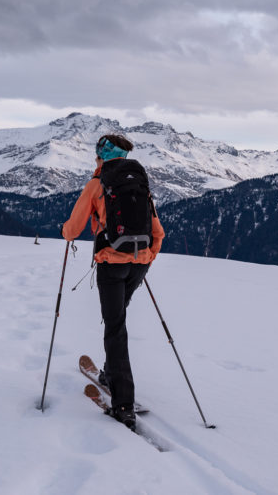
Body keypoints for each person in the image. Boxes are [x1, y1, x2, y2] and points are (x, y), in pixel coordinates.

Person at [61, 133, 165, 430]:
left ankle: (123, 405)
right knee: (117, 319)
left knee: (115, 327)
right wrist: (147, 257)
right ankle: (109, 373)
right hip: (140, 263)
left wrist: (64, 233)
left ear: (101, 156)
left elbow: (73, 228)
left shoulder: (97, 184)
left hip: (112, 264)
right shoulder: (140, 183)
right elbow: (157, 231)